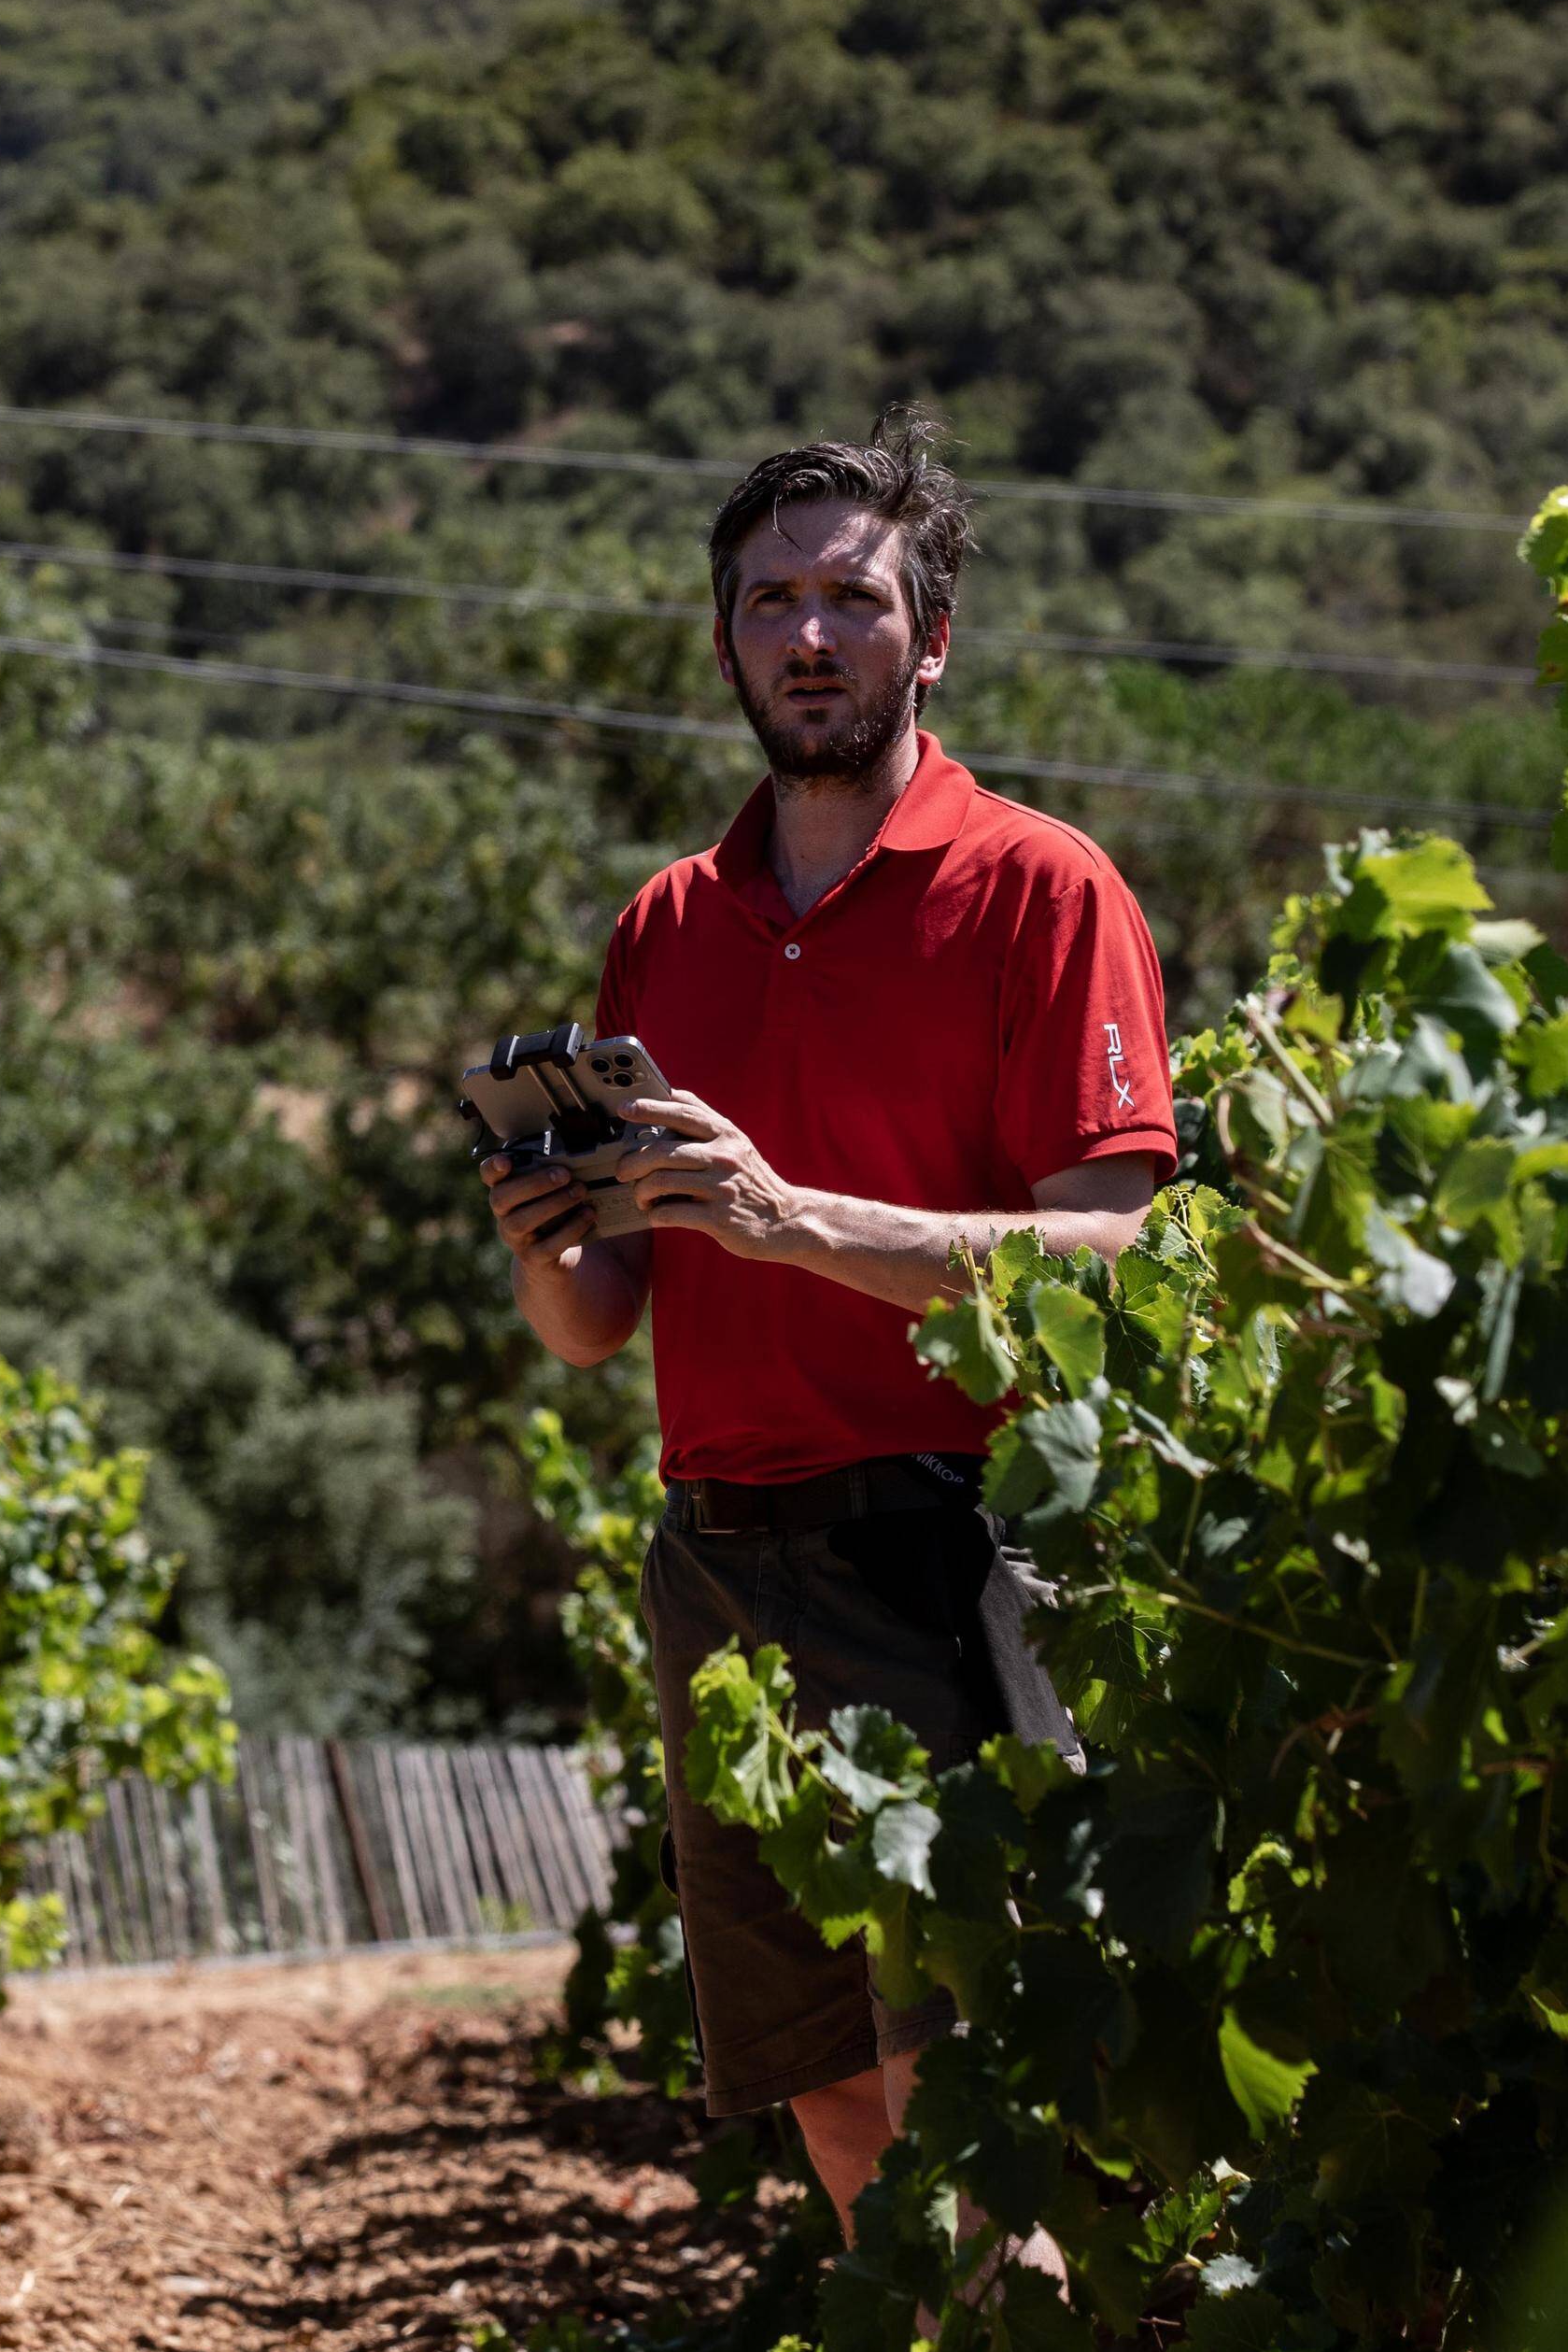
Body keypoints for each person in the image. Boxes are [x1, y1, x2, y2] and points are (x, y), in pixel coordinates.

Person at [482, 418, 1175, 2230]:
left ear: (926, 632)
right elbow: (595, 1323)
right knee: (835, 2103)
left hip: (941, 1545)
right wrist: (542, 1235)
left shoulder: (1041, 886)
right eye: (769, 601)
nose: (807, 635)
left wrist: (793, 1218)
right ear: (724, 641)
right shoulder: (669, 923)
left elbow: (1107, 1255)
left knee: (970, 2095)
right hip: (717, 1560)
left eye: (849, 598)